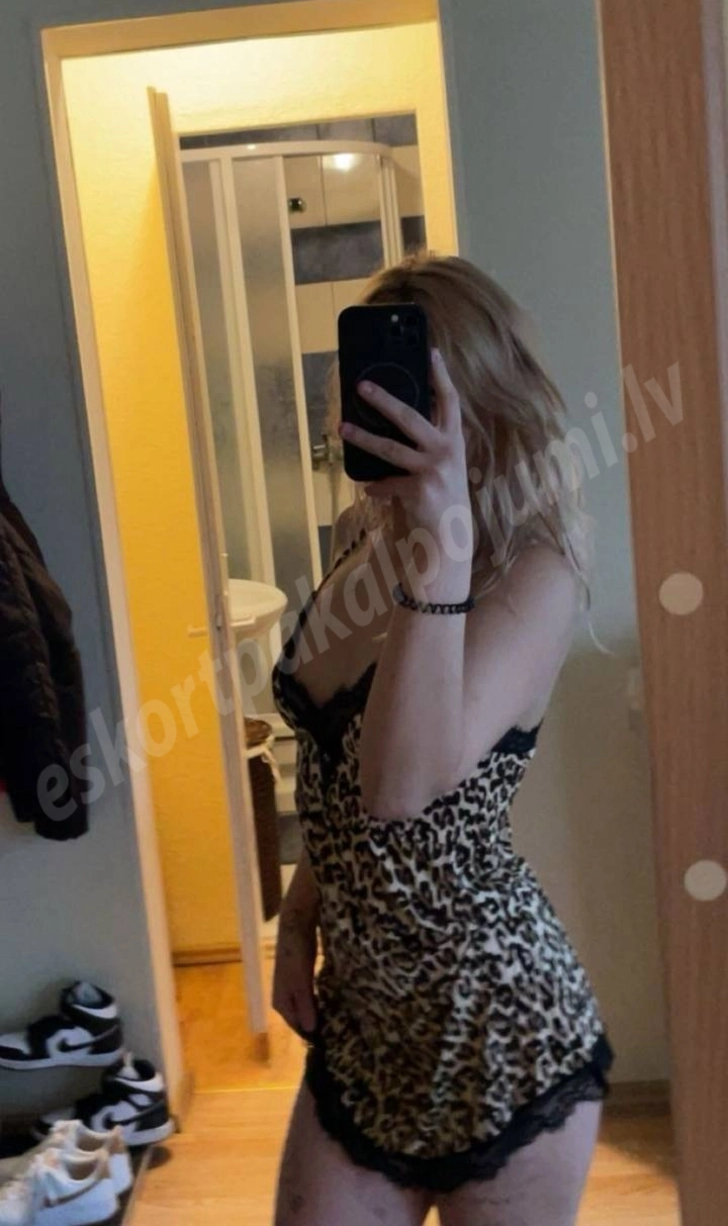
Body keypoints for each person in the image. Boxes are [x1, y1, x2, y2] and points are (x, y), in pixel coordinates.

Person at [271, 255, 613, 1226]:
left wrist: (443, 549)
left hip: (498, 1027)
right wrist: (298, 916)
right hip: (365, 1028)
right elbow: (333, 777)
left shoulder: (532, 573)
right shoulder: (359, 531)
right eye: (366, 396)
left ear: (482, 403)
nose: (382, 418)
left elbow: (397, 786)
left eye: (416, 399)